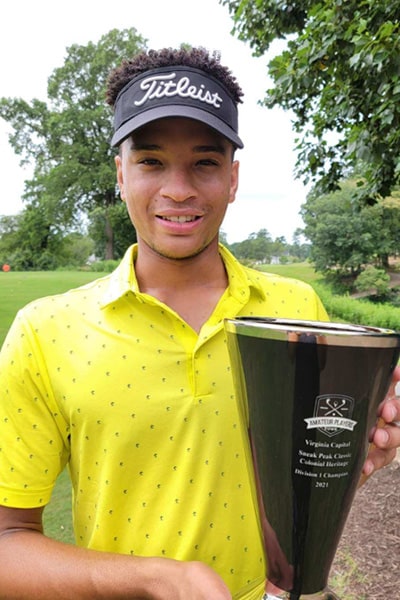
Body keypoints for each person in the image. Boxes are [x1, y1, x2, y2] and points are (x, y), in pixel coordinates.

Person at [0, 46, 399, 600]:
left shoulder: (297, 309)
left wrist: (345, 464)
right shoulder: (45, 332)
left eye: (205, 162)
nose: (179, 189)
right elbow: (7, 540)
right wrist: (159, 580)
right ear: (120, 173)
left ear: (233, 178)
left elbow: (303, 480)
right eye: (151, 161)